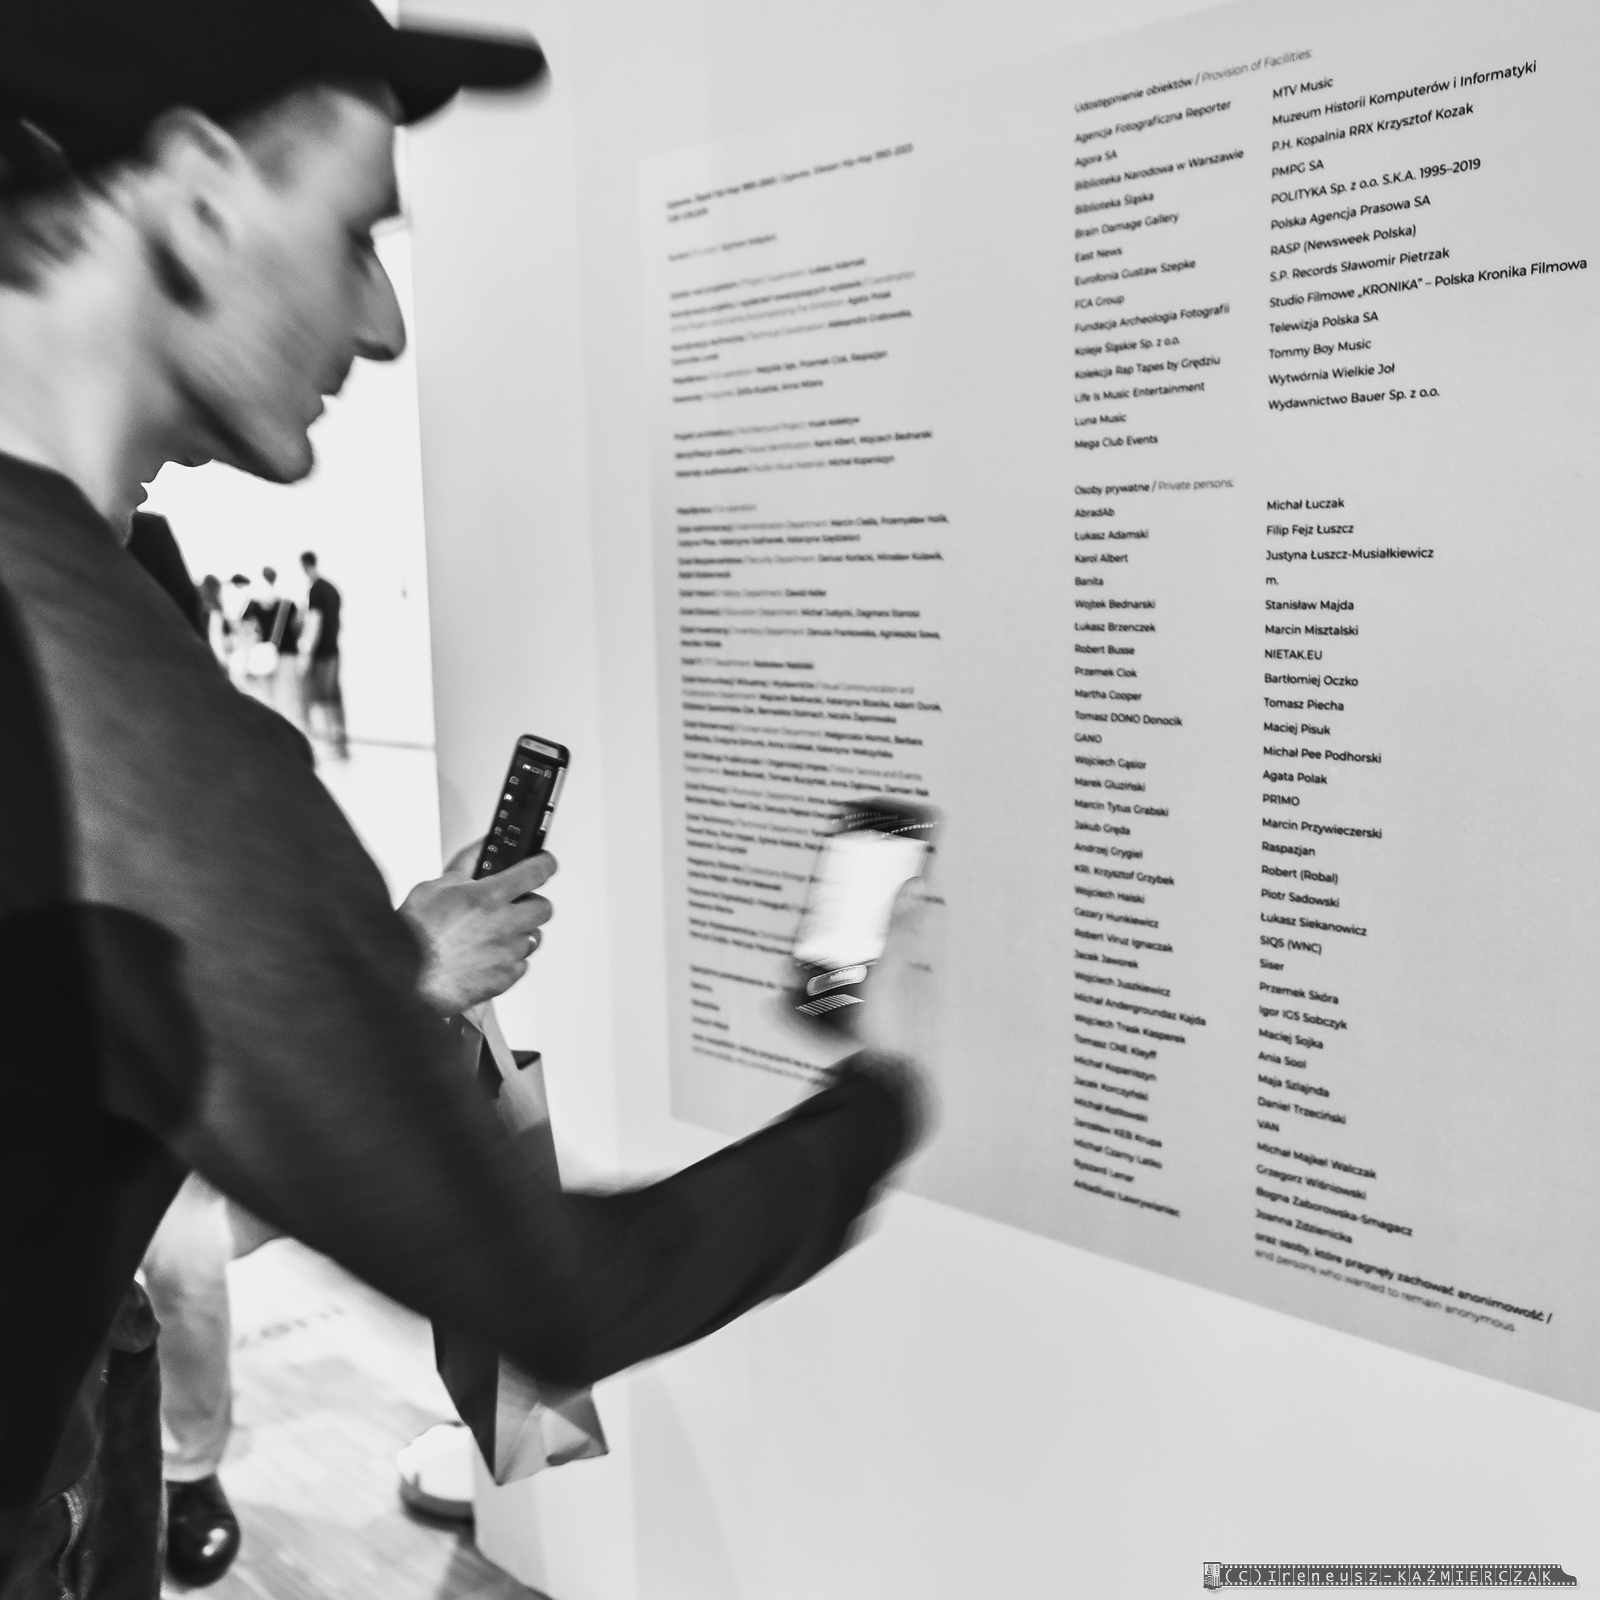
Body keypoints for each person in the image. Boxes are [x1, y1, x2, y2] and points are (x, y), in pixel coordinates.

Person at [0, 6, 928, 1598]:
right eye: (354, 233)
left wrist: (378, 974)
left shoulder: (101, 606)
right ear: (200, 192)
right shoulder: (92, 679)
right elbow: (553, 1293)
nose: (380, 322)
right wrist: (886, 1101)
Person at [298, 549, 348, 758]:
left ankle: (331, 742)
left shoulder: (316, 590)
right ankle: (340, 738)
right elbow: (339, 622)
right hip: (334, 649)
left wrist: (307, 653)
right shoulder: (332, 588)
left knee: (323, 697)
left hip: (322, 654)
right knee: (334, 695)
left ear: (304, 565)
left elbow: (314, 623)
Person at [241, 564, 303, 730]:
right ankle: (287, 731)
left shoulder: (253, 605)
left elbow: (246, 631)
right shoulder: (287, 605)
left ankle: (270, 731)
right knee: (287, 698)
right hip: (286, 654)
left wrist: (246, 657)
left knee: (266, 698)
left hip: (262, 655)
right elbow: (297, 628)